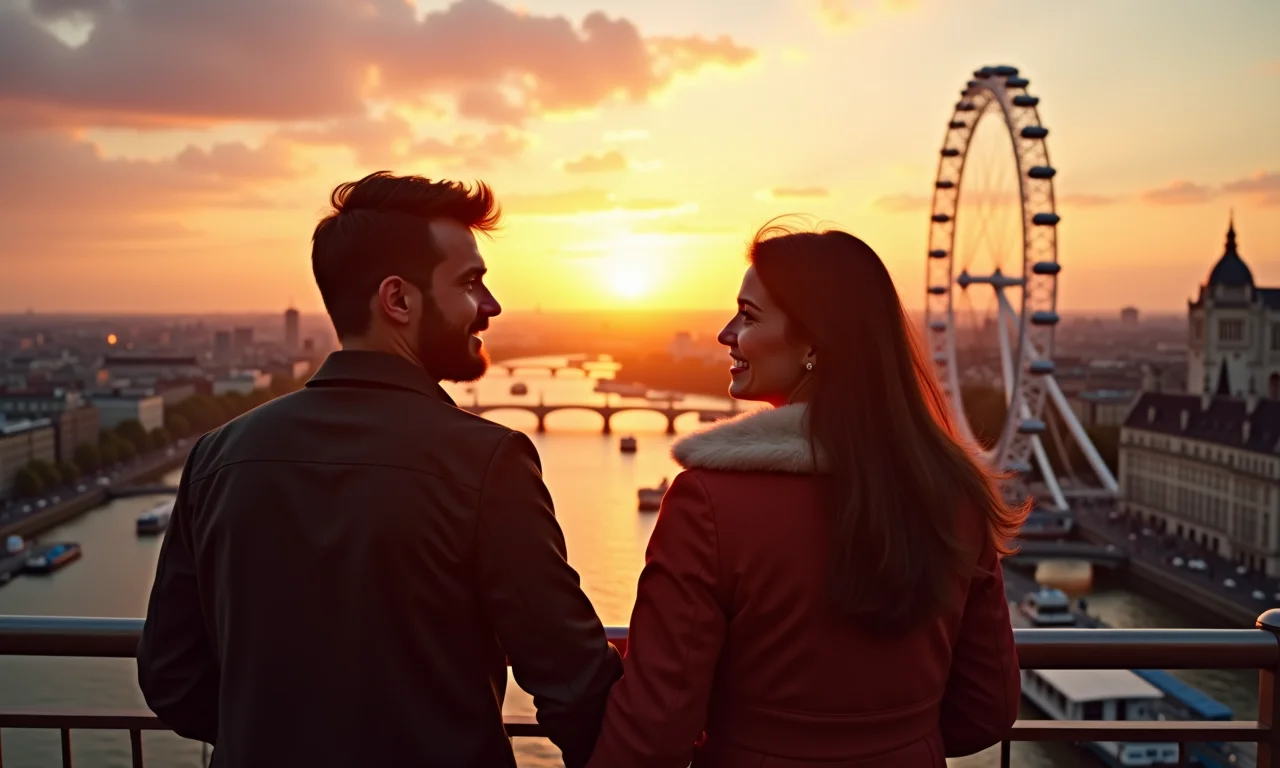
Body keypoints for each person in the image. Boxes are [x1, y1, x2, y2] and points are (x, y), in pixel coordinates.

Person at [137, 171, 621, 768]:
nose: (491, 307)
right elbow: (572, 681)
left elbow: (170, 677)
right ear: (398, 300)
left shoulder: (217, 456)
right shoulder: (486, 462)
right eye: (471, 283)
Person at [586, 222, 1027, 767]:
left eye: (748, 316)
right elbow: (988, 706)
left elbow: (656, 727)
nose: (727, 334)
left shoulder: (709, 503)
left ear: (814, 340)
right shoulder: (953, 492)